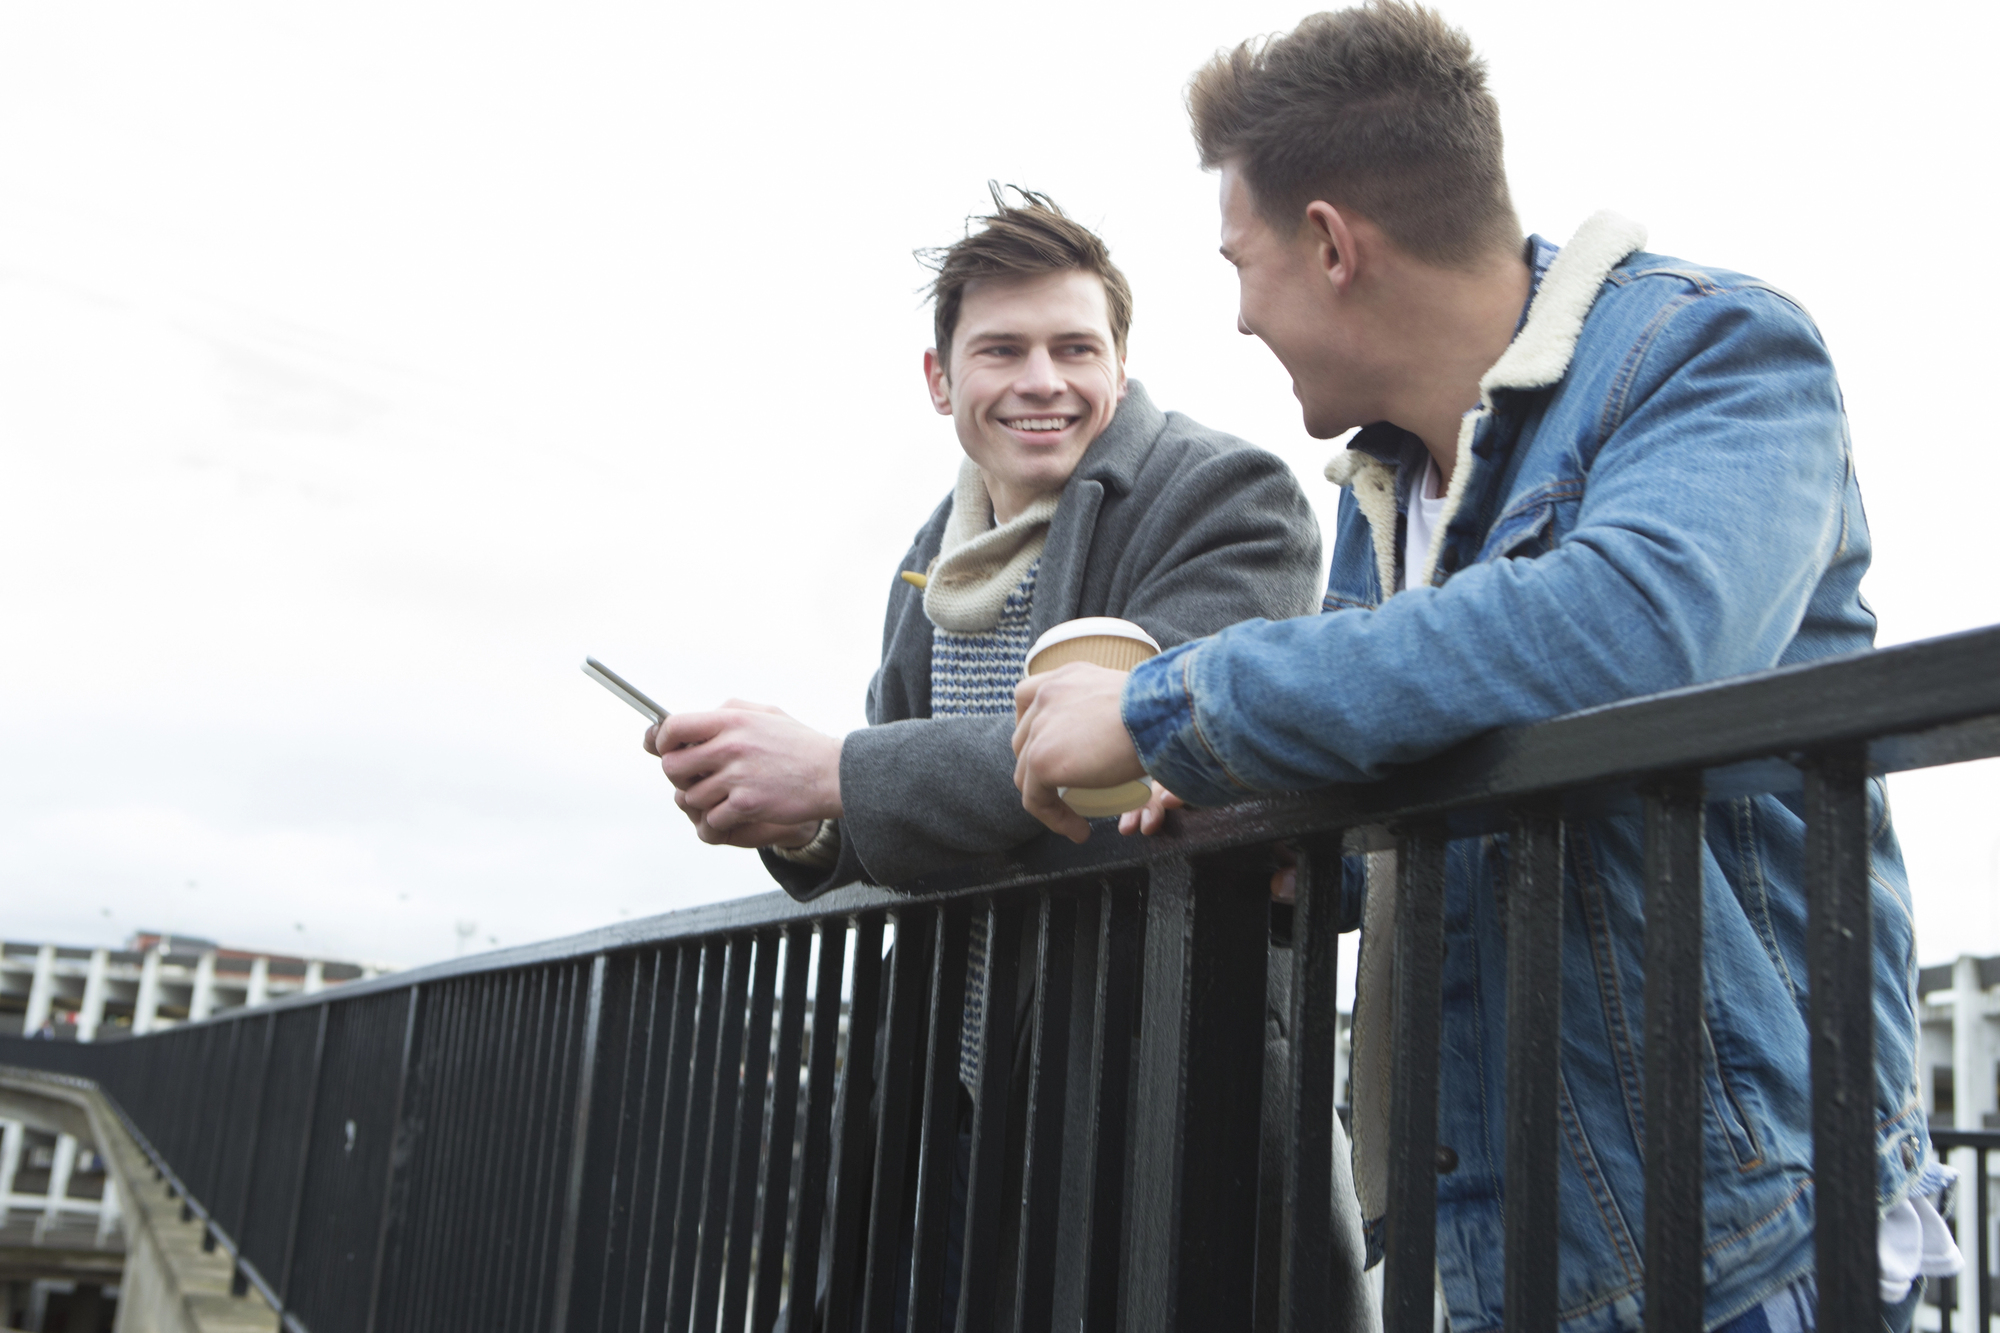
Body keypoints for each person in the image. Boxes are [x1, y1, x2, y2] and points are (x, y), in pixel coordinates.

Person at [1008, 7, 1953, 1332]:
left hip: (1736, 1240)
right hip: (1500, 1233)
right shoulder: (1383, 482)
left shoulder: (1719, 351)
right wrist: (1276, 833)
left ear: (1333, 244)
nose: (1233, 317)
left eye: (1239, 263)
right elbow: (1414, 766)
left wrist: (1168, 704)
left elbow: (1629, 634)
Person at [647, 186, 1323, 900]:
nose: (1041, 382)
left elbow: (1139, 739)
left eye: (1076, 349)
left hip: (1145, 1003)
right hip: (953, 1008)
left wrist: (832, 770)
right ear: (940, 381)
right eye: (1002, 350)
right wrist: (799, 821)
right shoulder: (932, 553)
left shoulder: (1231, 494)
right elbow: (913, 814)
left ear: (1120, 371)